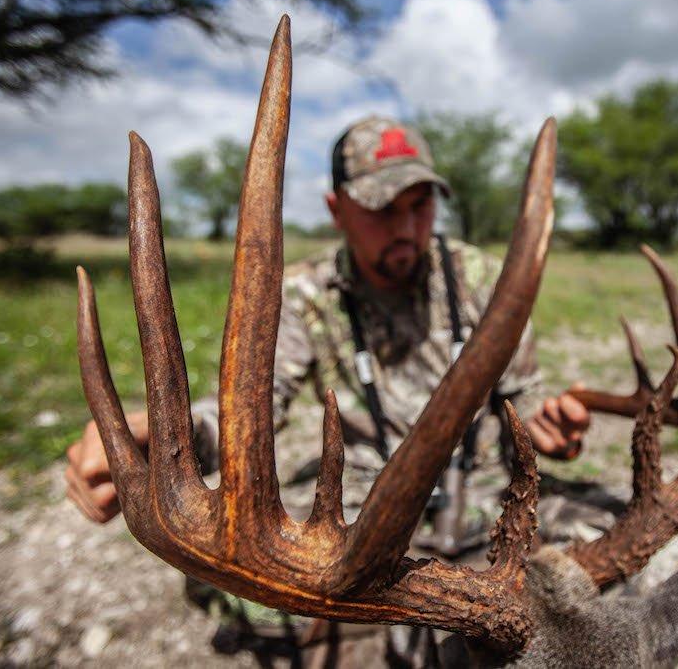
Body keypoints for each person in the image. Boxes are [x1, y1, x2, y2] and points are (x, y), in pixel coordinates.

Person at [64, 116, 595, 657]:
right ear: (336, 209)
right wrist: (160, 439)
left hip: (484, 500)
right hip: (362, 518)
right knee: (239, 578)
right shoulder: (303, 296)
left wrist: (549, 429)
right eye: (382, 210)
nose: (407, 228)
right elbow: (252, 412)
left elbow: (522, 402)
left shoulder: (485, 281)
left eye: (420, 206)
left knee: (609, 536)